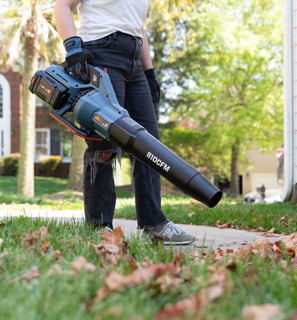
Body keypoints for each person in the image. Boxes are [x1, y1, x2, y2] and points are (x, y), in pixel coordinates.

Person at [54, 0, 195, 245]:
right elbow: (62, 6)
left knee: (149, 145)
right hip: (100, 52)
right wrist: (73, 49)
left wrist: (150, 73)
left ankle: (155, 224)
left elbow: (137, 29)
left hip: (134, 62)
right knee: (103, 144)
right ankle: (100, 227)